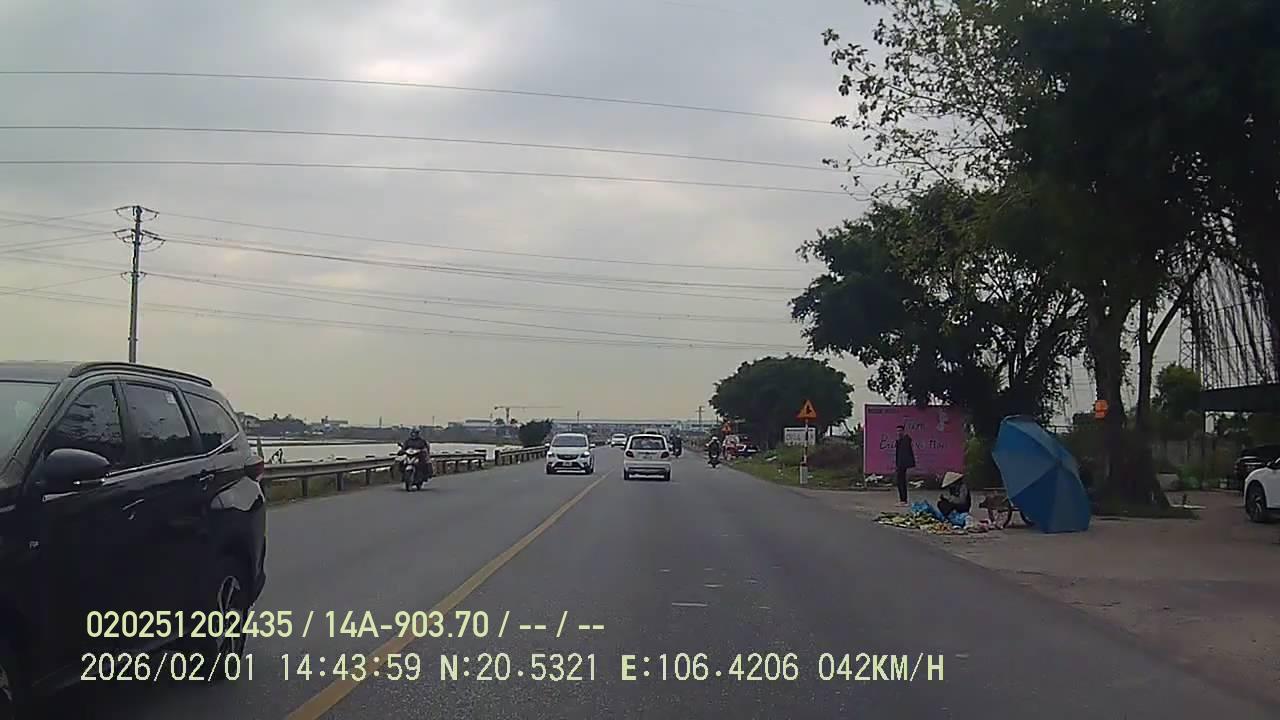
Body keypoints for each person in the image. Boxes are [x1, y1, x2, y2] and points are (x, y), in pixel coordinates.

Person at [894, 424, 916, 505]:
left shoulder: (905, 440)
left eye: (900, 431)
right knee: (900, 481)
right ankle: (902, 499)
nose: (899, 432)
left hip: (902, 464)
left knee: (901, 482)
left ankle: (903, 500)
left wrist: (901, 464)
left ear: (903, 431)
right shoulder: (899, 441)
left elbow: (904, 454)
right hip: (899, 464)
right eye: (897, 431)